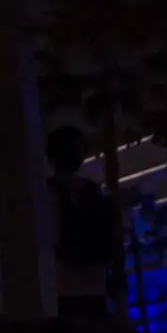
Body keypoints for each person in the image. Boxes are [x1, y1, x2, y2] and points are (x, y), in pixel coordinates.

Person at [45, 126, 113, 320]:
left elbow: (52, 237)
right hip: (96, 285)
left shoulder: (47, 193)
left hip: (64, 287)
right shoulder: (94, 191)